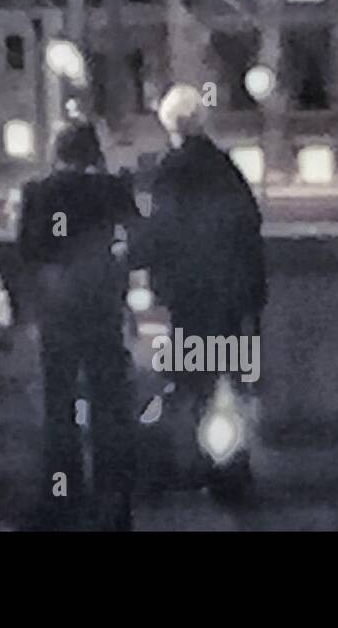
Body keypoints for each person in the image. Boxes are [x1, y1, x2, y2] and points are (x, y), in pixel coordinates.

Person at [131, 84, 266, 498]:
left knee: (191, 382)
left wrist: (145, 270)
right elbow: (249, 227)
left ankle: (191, 464)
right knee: (231, 382)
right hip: (230, 295)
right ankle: (232, 467)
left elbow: (158, 234)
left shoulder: (170, 171)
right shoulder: (224, 167)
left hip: (189, 298)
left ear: (170, 126)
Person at [18, 120, 138, 530]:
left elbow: (29, 252)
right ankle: (114, 503)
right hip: (103, 310)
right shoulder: (113, 189)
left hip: (60, 314)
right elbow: (135, 239)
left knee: (59, 409)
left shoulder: (39, 192)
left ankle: (61, 494)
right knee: (110, 409)